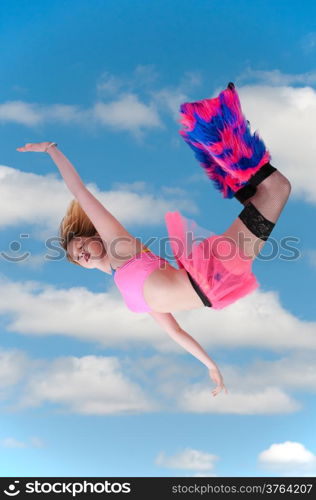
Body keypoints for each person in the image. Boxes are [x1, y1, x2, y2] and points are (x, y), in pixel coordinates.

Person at [16, 82, 291, 398]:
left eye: (80, 245)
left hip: (209, 273)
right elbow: (174, 330)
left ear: (94, 237)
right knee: (269, 194)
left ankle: (219, 130)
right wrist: (210, 366)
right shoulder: (125, 286)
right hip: (212, 284)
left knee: (275, 190)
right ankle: (216, 137)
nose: (81, 254)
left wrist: (51, 150)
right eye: (76, 257)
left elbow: (80, 192)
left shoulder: (120, 247)